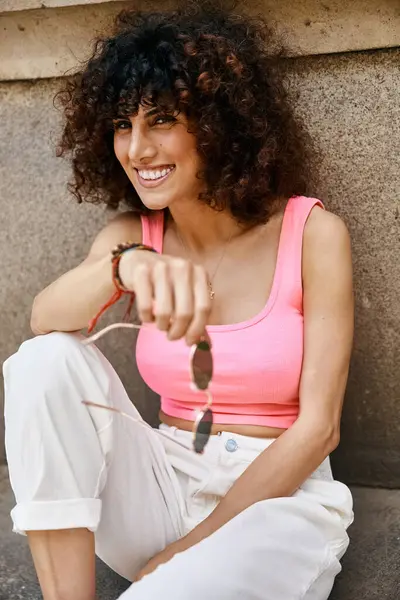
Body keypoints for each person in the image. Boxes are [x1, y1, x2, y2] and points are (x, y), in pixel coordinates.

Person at [3, 2, 354, 599]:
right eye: (122, 125)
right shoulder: (131, 236)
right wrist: (126, 266)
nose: (137, 149)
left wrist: (190, 549)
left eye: (161, 120)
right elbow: (44, 321)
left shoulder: (312, 235)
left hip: (278, 506)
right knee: (43, 360)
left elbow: (318, 430)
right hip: (163, 479)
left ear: (220, 125)